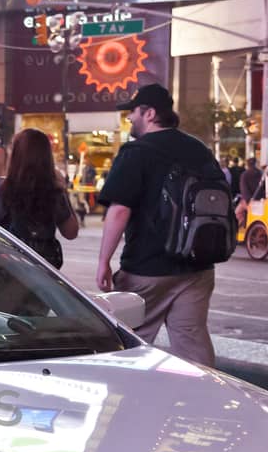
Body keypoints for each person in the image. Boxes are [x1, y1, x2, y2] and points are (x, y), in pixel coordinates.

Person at [95, 83, 221, 368]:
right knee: (193, 342)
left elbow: (119, 210)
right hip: (197, 266)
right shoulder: (199, 149)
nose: (129, 118)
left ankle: (126, 402)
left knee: (127, 341)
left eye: (133, 112)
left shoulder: (136, 152)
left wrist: (104, 261)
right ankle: (204, 400)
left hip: (147, 269)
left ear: (149, 113)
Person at [0, 128, 80, 312]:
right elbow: (71, 232)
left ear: (15, 156)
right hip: (40, 277)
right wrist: (62, 189)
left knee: (2, 328)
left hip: (2, 276)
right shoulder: (53, 193)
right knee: (31, 330)